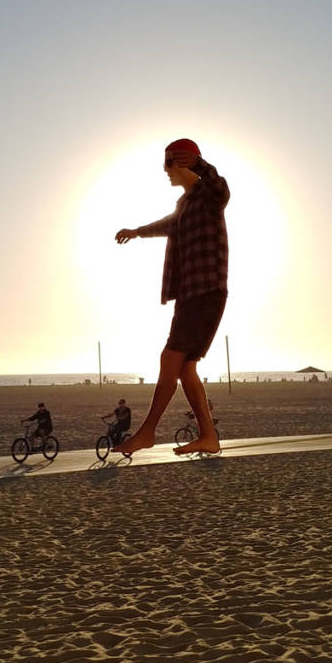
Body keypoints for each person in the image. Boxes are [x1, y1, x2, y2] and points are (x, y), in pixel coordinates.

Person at [114, 138, 229, 455]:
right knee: (185, 368)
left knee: (170, 359)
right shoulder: (187, 205)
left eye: (168, 164)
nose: (165, 172)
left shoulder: (207, 194)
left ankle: (147, 432)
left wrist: (200, 165)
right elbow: (169, 225)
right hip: (190, 294)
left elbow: (221, 189)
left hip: (206, 292)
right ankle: (208, 437)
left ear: (182, 163)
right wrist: (137, 231)